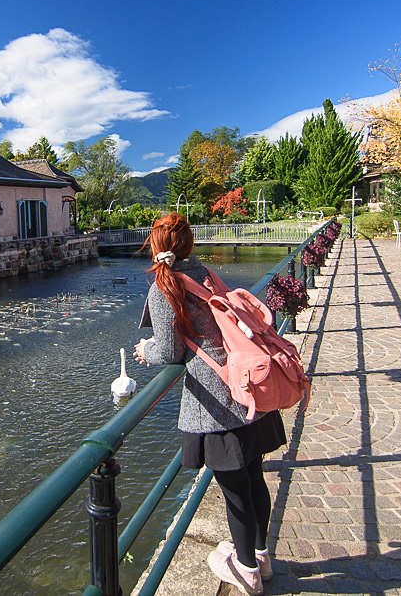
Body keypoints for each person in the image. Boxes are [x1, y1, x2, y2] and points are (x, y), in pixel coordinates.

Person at [134, 212, 285, 596]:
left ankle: (247, 571)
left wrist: (144, 349)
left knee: (235, 490)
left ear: (155, 244)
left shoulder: (164, 286)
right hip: (248, 388)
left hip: (218, 402)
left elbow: (169, 351)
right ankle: (261, 558)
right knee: (253, 478)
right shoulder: (205, 273)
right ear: (189, 243)